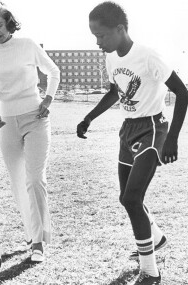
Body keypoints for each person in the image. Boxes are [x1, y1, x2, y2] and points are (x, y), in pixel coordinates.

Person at [77, 2, 188, 284]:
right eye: (94, 36)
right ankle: (158, 240)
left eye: (101, 35)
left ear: (120, 29)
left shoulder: (148, 56)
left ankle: (150, 270)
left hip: (152, 129)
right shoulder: (112, 58)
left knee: (131, 198)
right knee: (127, 199)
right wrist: (88, 118)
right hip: (128, 130)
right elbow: (115, 92)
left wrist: (173, 137)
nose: (98, 42)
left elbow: (182, 92)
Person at [0, 1, 60, 262]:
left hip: (35, 117)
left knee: (34, 179)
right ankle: (32, 233)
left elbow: (53, 71)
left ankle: (38, 243)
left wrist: (48, 99)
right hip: (5, 120)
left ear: (9, 21)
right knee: (17, 183)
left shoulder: (27, 45)